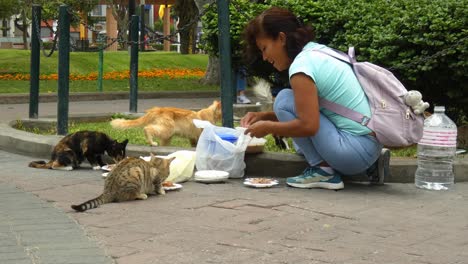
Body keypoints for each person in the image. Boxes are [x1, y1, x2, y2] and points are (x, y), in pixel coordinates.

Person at [240, 7, 390, 190]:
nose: (264, 57)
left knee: (284, 100)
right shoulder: (317, 52)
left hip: (352, 152)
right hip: (369, 144)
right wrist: (265, 117)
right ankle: (369, 165)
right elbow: (312, 109)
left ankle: (323, 171)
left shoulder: (301, 69)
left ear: (281, 38)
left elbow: (308, 125)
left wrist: (268, 127)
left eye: (264, 48)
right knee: (291, 116)